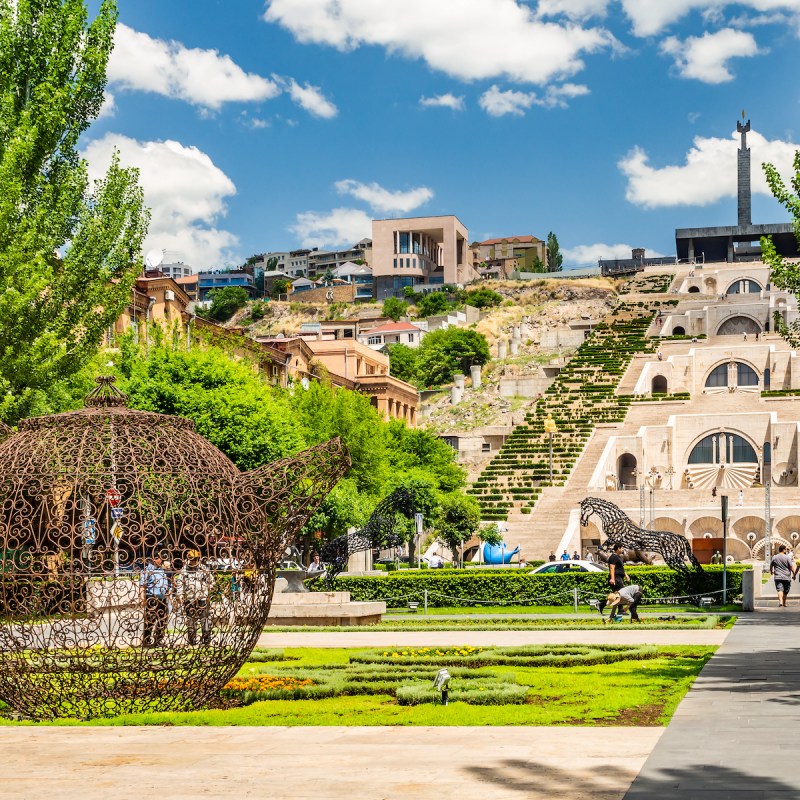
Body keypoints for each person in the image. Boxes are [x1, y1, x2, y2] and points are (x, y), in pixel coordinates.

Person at [175, 550, 215, 646]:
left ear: (198, 559)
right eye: (191, 560)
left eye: (194, 559)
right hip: (189, 599)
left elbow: (212, 581)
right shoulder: (185, 570)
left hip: (202, 598)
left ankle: (206, 641)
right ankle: (192, 641)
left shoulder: (203, 569)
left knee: (204, 620)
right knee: (190, 621)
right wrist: (180, 595)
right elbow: (180, 584)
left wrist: (210, 587)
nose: (192, 562)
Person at [139, 555, 170, 648]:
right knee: (150, 620)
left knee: (162, 620)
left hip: (163, 598)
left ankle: (158, 640)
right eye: (158, 558)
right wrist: (142, 599)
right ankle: (147, 641)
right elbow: (142, 585)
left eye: (160, 558)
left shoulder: (162, 570)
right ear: (153, 559)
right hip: (152, 598)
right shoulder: (147, 570)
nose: (160, 560)